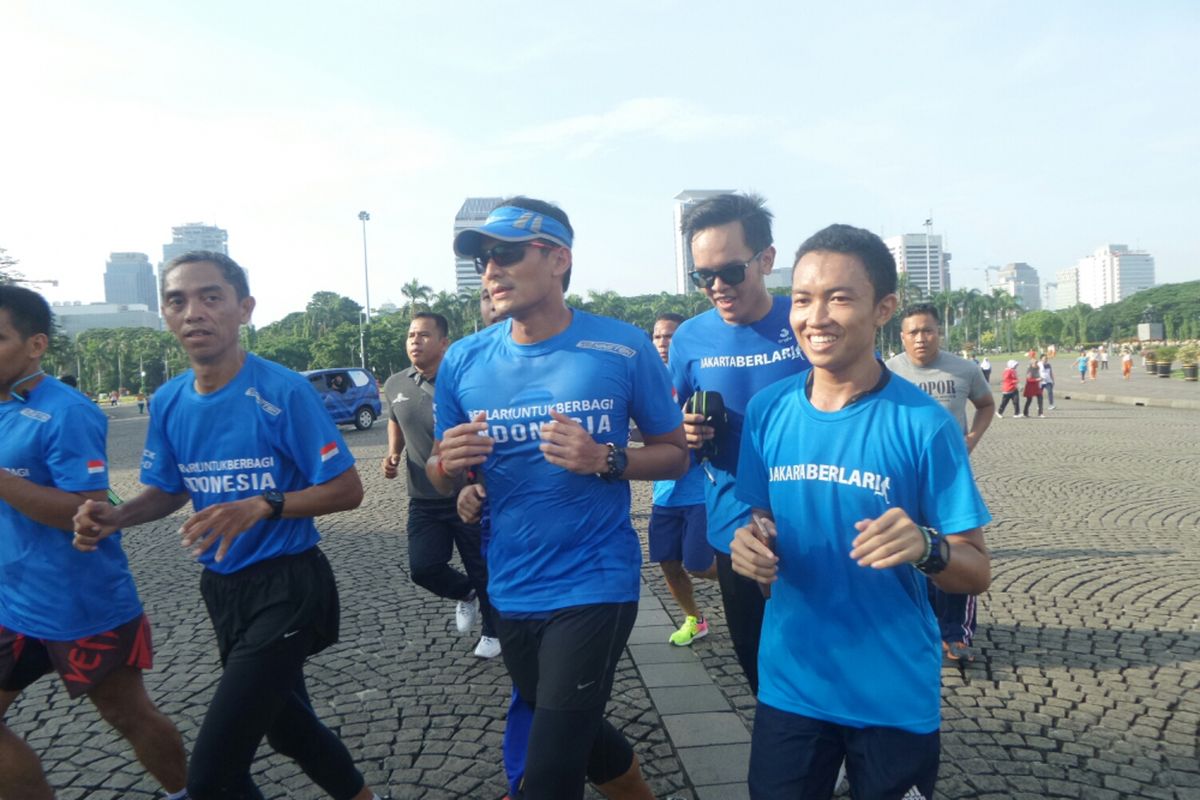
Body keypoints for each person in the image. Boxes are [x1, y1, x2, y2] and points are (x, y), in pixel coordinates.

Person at [73, 252, 383, 800]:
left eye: (211, 297)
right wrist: (118, 516)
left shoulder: (284, 390)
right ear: (166, 316)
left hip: (290, 584)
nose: (194, 312)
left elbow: (347, 490)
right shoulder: (168, 401)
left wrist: (263, 505)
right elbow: (170, 489)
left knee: (214, 773)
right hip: (222, 588)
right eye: (177, 300)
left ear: (244, 309)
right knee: (289, 728)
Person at [429, 197, 688, 800]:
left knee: (547, 776)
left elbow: (675, 452)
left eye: (507, 254)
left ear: (558, 259)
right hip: (512, 585)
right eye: (484, 259)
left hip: (596, 581)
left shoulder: (622, 348)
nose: (490, 270)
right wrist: (457, 476)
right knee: (578, 733)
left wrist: (607, 459)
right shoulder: (465, 360)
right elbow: (445, 474)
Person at [729, 223, 991, 799]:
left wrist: (926, 545)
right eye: (802, 299)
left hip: (891, 691)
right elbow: (759, 518)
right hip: (793, 682)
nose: (814, 317)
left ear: (883, 309)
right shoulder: (769, 411)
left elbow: (976, 568)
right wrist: (751, 543)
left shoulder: (924, 426)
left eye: (839, 298)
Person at [0, 286, 188, 800]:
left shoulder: (67, 411)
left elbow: (84, 511)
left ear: (36, 344)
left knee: (129, 715)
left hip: (80, 603)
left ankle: (188, 792)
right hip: (10, 603)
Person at [667, 192, 810, 693]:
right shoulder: (688, 338)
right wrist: (686, 431)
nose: (717, 287)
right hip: (734, 522)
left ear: (767, 259)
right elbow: (674, 424)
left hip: (815, 514)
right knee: (754, 656)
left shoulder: (806, 323)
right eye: (703, 276)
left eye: (730, 271)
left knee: (825, 648)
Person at [382, 311, 498, 658]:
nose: (414, 341)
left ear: (444, 342)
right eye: (411, 335)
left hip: (468, 495)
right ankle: (466, 594)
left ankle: (494, 632)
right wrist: (392, 453)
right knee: (423, 567)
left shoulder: (465, 382)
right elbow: (396, 420)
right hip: (423, 497)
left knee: (482, 568)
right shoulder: (395, 384)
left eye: (424, 335)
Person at [886, 303, 993, 660]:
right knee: (907, 551)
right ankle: (917, 625)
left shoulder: (964, 370)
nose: (921, 337)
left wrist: (972, 439)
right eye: (913, 331)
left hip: (948, 480)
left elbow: (986, 405)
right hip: (901, 478)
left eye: (927, 330)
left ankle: (955, 634)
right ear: (902, 337)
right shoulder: (888, 371)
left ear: (938, 332)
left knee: (956, 552)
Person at [648, 313, 716, 646]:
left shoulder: (699, 380)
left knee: (700, 564)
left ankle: (753, 587)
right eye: (658, 337)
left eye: (670, 336)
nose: (663, 343)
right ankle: (695, 619)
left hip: (699, 490)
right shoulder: (648, 385)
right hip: (664, 494)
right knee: (669, 563)